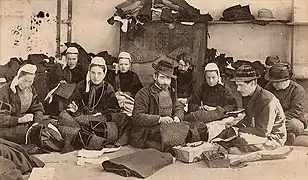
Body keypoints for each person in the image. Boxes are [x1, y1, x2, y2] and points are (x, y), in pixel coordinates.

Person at [58, 57, 131, 152]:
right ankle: (88, 137)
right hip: (82, 117)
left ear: (104, 73)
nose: (96, 77)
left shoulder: (107, 88)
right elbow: (71, 102)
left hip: (100, 120)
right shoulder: (82, 85)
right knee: (63, 115)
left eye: (99, 73)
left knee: (121, 120)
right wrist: (74, 109)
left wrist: (102, 114)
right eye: (93, 73)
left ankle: (84, 137)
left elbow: (115, 110)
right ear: (89, 72)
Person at [213, 64, 287, 153]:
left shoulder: (267, 100)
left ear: (252, 83)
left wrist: (238, 130)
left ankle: (238, 149)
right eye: (237, 85)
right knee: (228, 133)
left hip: (273, 137)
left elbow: (263, 132)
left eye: (240, 85)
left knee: (240, 139)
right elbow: (248, 118)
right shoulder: (249, 95)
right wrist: (235, 126)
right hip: (260, 134)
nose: (238, 89)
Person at [131, 60, 195, 151]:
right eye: (162, 77)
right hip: (148, 130)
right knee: (173, 134)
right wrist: (160, 119)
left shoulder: (170, 90)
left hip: (169, 125)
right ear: (155, 76)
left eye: (168, 79)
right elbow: (137, 117)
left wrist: (177, 117)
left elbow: (179, 107)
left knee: (194, 127)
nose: (166, 82)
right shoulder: (143, 93)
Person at [0, 64, 44, 144]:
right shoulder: (5, 92)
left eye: (30, 81)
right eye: (24, 81)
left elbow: (38, 107)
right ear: (18, 78)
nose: (27, 85)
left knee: (45, 128)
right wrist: (19, 120)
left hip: (25, 122)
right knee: (26, 133)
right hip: (8, 126)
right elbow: (1, 118)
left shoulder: (31, 89)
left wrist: (36, 122)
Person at [264, 63, 307, 145]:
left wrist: (278, 119)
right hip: (271, 118)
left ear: (286, 80)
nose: (274, 84)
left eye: (277, 82)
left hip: (289, 119)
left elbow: (296, 111)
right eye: (272, 82)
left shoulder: (297, 90)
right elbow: (265, 104)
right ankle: (285, 136)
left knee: (295, 126)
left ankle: (277, 135)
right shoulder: (269, 87)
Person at [46, 47, 87, 116]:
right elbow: (52, 84)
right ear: (66, 58)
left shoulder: (82, 70)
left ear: (77, 59)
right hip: (63, 94)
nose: (71, 62)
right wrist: (60, 83)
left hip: (76, 94)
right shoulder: (62, 69)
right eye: (69, 59)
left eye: (74, 59)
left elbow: (84, 86)